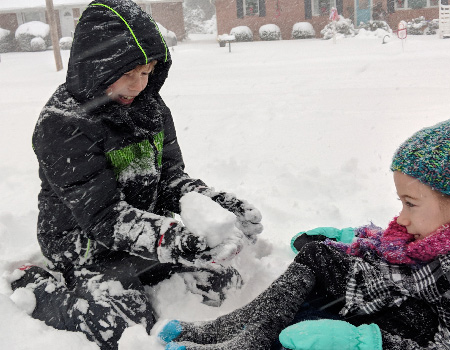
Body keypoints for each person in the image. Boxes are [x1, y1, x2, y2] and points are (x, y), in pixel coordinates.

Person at [8, 0, 262, 349]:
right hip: (85, 248)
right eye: (127, 73)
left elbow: (171, 177)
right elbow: (103, 217)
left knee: (223, 280)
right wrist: (178, 241)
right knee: (124, 328)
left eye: (147, 72)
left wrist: (214, 205)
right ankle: (38, 288)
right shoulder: (63, 124)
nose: (138, 84)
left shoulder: (152, 109)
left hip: (145, 236)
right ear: (98, 66)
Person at [156, 112, 450, 350]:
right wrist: (350, 238)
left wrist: (364, 342)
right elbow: (391, 248)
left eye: (410, 204)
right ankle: (242, 326)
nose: (403, 217)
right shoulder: (432, 230)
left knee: (310, 330)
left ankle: (261, 339)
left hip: (396, 327)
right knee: (318, 256)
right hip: (380, 292)